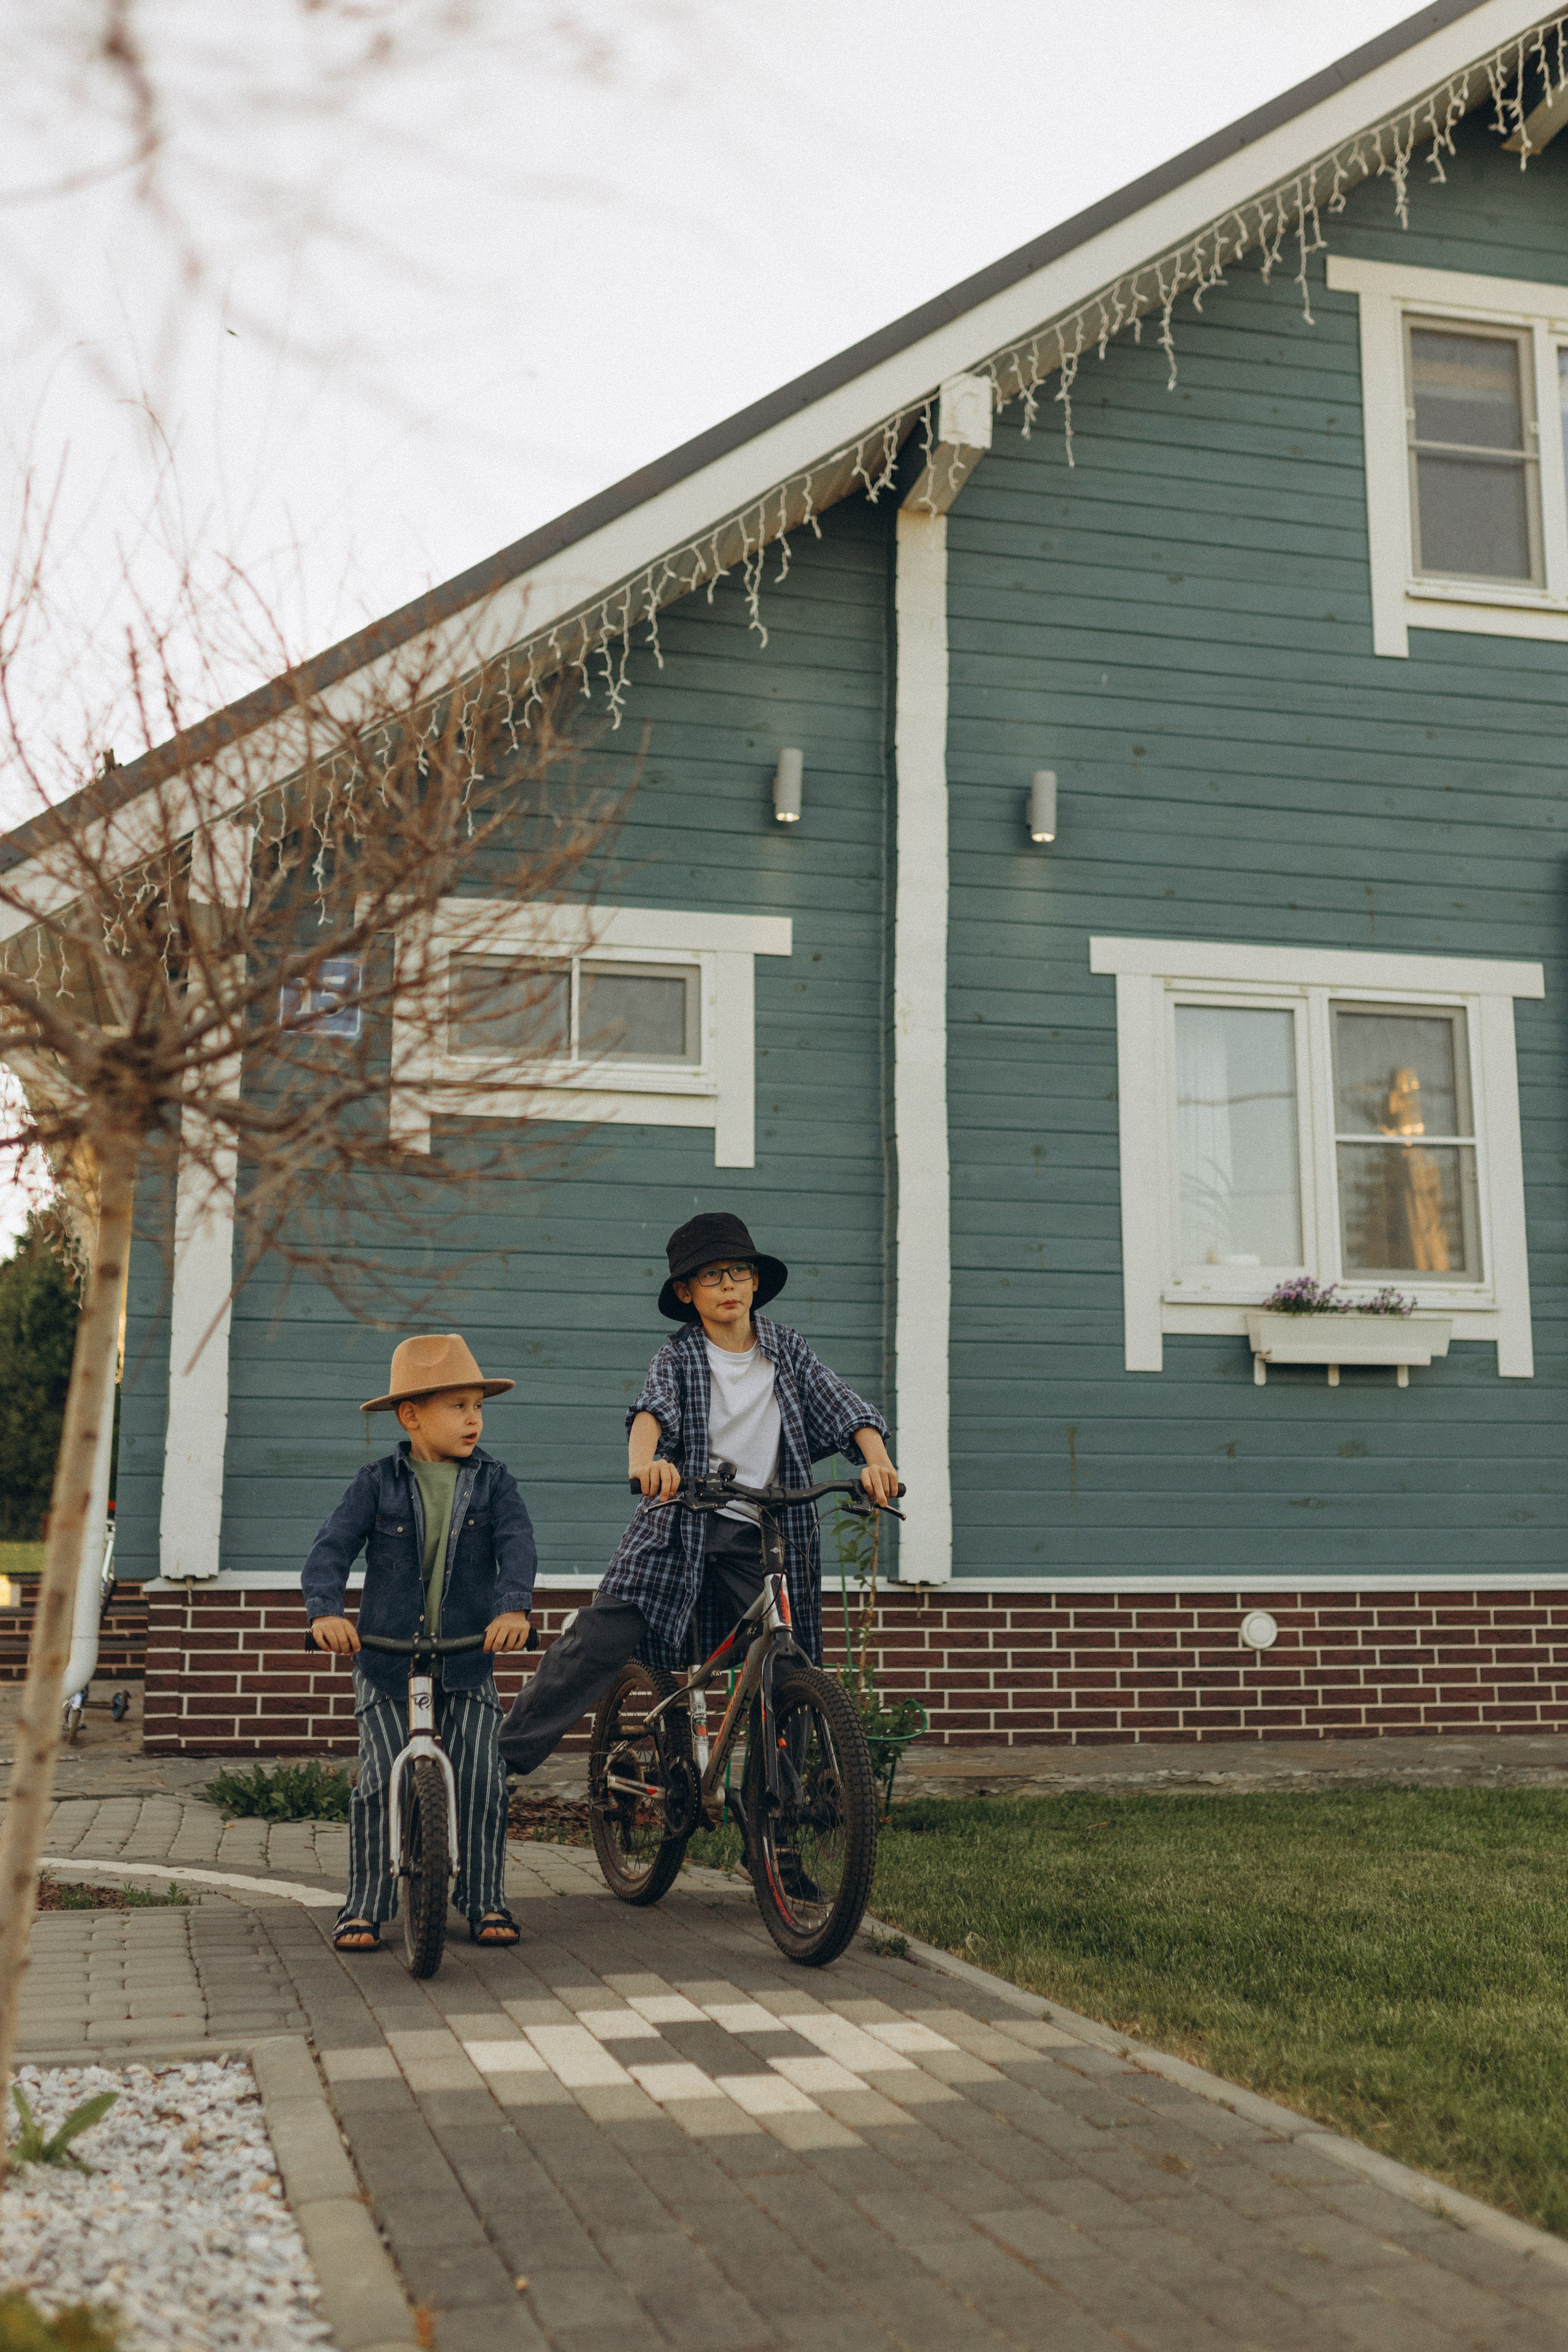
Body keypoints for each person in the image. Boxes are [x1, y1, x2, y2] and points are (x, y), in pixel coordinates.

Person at [499, 1210, 897, 1777]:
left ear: (757, 1282)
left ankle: (779, 1820)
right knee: (597, 1639)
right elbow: (651, 1411)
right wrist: (645, 1462)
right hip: (679, 1523)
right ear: (687, 1293)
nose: (729, 1284)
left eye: (739, 1271)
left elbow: (845, 1408)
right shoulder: (680, 1356)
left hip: (760, 1533)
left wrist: (877, 1462)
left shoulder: (789, 1351)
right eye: (712, 1276)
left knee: (788, 1669)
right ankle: (498, 1763)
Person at [303, 1333, 536, 1953]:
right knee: (380, 1779)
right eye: (457, 1406)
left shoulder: (494, 1484)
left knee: (484, 1776)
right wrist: (326, 1613)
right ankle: (365, 1906)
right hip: (385, 1660)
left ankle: (484, 1898)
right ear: (411, 1416)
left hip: (466, 1656)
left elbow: (517, 1547)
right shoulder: (377, 1484)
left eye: (478, 1406)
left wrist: (513, 1607)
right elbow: (329, 1552)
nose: (473, 1419)